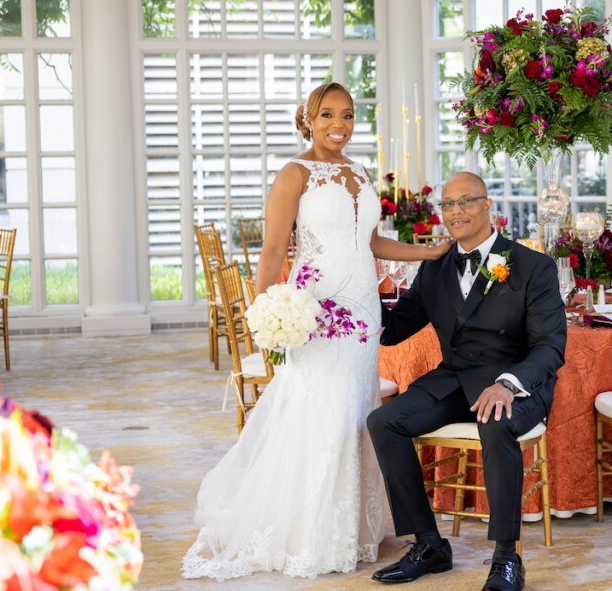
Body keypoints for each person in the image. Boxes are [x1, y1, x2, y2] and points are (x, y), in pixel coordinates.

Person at [182, 83, 450, 581]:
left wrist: (428, 253)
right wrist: (267, 316)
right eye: (327, 114)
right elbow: (272, 252)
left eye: (347, 116)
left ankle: (355, 525)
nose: (339, 125)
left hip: (364, 313)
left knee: (357, 410)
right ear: (307, 118)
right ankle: (310, 530)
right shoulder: (293, 174)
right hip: (317, 313)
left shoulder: (360, 172)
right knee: (321, 413)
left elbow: (369, 243)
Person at [367, 172, 567, 591]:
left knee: (495, 421)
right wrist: (352, 293)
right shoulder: (436, 268)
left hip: (515, 382)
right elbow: (394, 328)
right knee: (384, 422)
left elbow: (550, 348)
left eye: (466, 201)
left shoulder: (533, 266)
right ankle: (428, 544)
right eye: (448, 205)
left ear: (488, 204)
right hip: (455, 380)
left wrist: (509, 384)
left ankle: (506, 558)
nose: (456, 212)